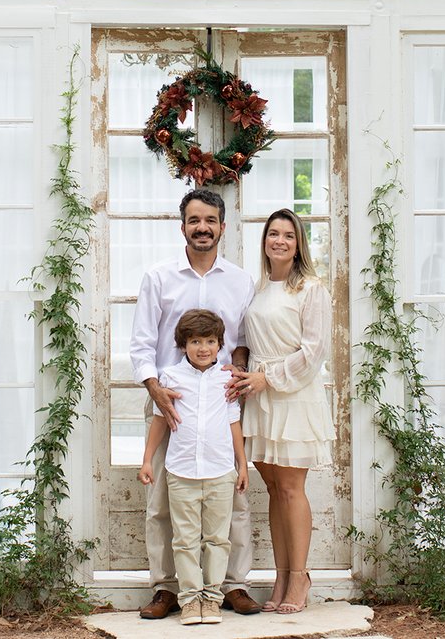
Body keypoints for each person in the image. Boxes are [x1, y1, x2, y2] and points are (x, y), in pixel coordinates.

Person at [130, 189, 261, 619]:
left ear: (223, 227)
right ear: (182, 226)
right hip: (172, 405)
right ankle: (168, 588)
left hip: (221, 406)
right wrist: (156, 391)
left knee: (233, 500)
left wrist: (237, 372)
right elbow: (142, 344)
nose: (202, 227)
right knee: (164, 504)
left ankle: (231, 585)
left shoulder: (241, 280)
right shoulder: (159, 277)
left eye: (210, 220)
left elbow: (241, 344)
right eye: (193, 220)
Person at [228, 208, 335, 615]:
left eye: (288, 235)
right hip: (257, 394)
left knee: (291, 488)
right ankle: (281, 572)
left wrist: (267, 379)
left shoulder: (310, 288)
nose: (279, 241)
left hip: (291, 395)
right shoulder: (257, 288)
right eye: (273, 234)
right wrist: (242, 368)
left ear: (298, 243)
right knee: (273, 490)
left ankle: (300, 576)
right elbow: (244, 339)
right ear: (265, 241)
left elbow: (313, 352)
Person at [138, 309, 250, 626]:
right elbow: (161, 422)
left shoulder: (226, 379)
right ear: (183, 344)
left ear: (219, 345)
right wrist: (147, 460)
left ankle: (212, 599)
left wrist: (241, 466)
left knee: (217, 540)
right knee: (184, 541)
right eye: (196, 341)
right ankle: (189, 601)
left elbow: (234, 423)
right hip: (181, 472)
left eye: (210, 341)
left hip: (219, 472)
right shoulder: (171, 378)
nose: (203, 348)